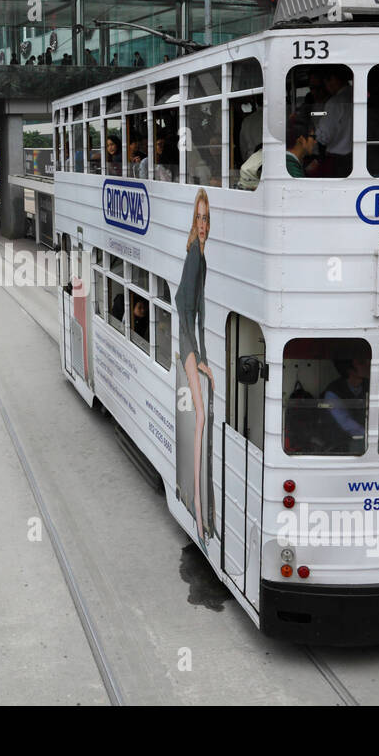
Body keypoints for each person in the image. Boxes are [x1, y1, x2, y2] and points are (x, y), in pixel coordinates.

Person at [176, 189, 214, 538]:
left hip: (192, 342)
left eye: (206, 218)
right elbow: (183, 304)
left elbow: (201, 311)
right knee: (201, 418)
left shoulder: (201, 252)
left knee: (201, 418)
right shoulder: (194, 255)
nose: (201, 225)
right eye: (198, 218)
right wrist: (197, 356)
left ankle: (201, 514)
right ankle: (200, 519)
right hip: (187, 342)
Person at [310, 66, 353, 177]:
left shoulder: (335, 103)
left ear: (332, 79)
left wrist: (313, 132)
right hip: (355, 156)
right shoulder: (356, 95)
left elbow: (324, 137)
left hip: (337, 160)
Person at [322, 356, 368, 453]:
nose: (367, 365)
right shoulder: (333, 392)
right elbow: (346, 422)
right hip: (341, 446)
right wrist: (370, 436)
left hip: (363, 442)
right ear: (350, 370)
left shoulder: (368, 385)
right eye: (361, 363)